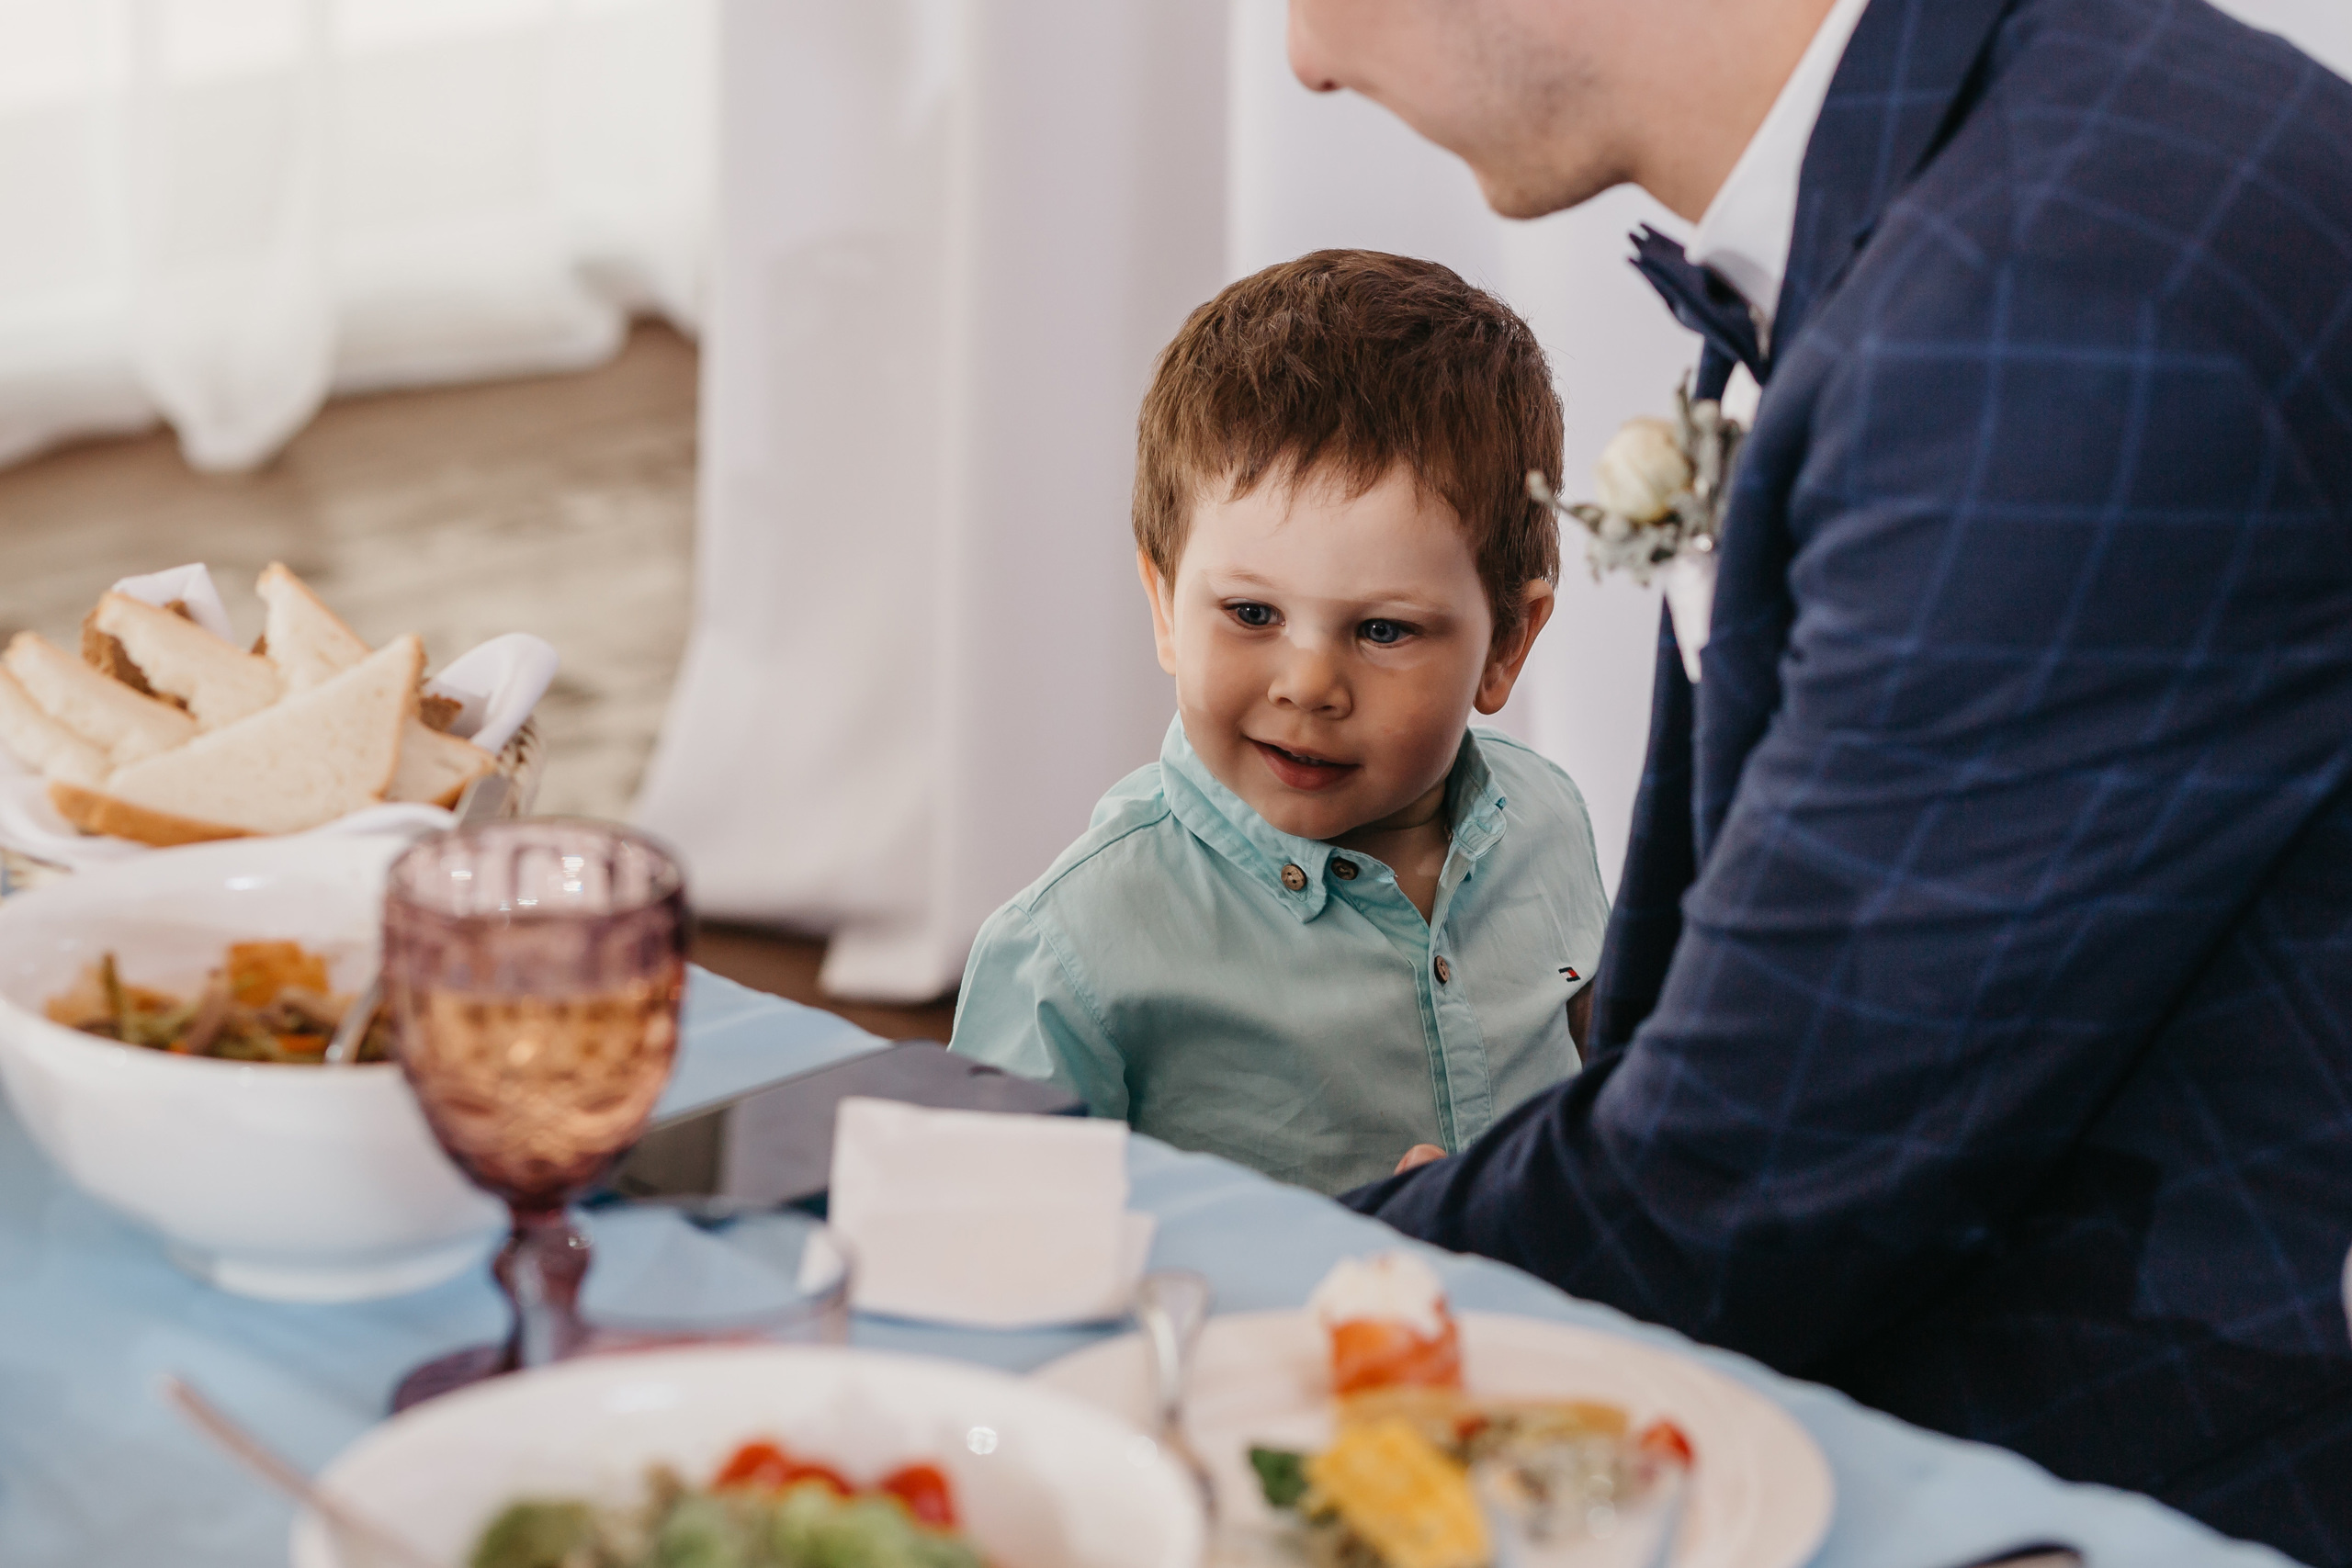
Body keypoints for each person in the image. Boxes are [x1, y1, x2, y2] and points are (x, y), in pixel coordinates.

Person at [1293, 0, 2352, 1558]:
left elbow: (1742, 1189)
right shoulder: (2016, 140)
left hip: (2148, 1449)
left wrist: (1316, 1280)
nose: (1308, 59)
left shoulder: (2056, 303)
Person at [949, 251, 1609, 1196]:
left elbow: (1602, 1078)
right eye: (1252, 615)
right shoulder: (1070, 950)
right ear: (1164, 602)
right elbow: (984, 1245)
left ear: (1507, 642)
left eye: (1382, 630)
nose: (1307, 686)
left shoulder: (1548, 818)